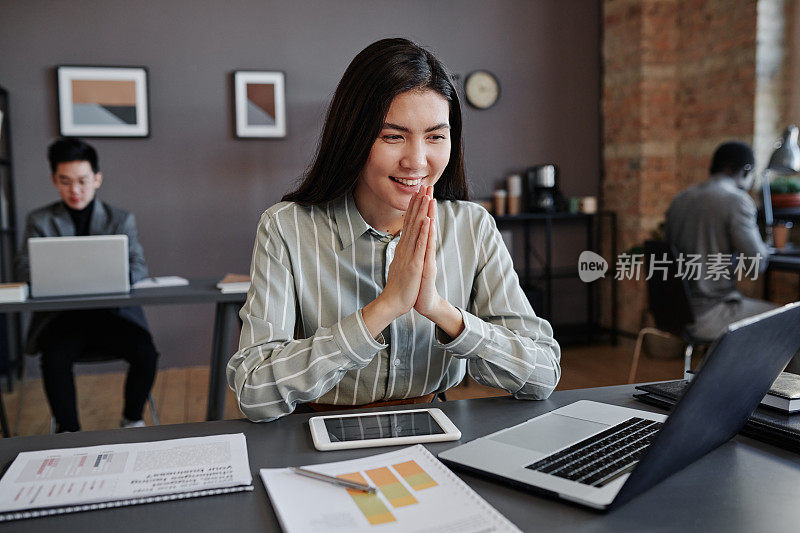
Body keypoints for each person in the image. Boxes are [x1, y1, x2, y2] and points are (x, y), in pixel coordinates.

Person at [227, 38, 561, 422]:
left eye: (436, 136)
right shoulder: (287, 227)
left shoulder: (472, 225)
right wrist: (384, 309)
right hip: (314, 434)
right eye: (393, 136)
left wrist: (440, 311)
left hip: (435, 430)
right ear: (353, 137)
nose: (417, 161)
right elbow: (253, 392)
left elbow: (543, 373)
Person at [15, 137, 159, 432]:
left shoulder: (120, 219)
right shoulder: (39, 220)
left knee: (146, 352)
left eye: (82, 180)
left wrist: (111, 276)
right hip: (62, 318)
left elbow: (138, 266)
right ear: (54, 180)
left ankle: (131, 418)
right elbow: (23, 267)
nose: (75, 190)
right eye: (65, 181)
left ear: (97, 178)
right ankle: (68, 432)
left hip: (112, 315)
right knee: (54, 357)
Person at [664, 141, 775, 341]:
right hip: (711, 312)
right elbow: (757, 264)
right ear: (746, 170)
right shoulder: (736, 201)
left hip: (676, 313)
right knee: (793, 320)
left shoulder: (679, 200)